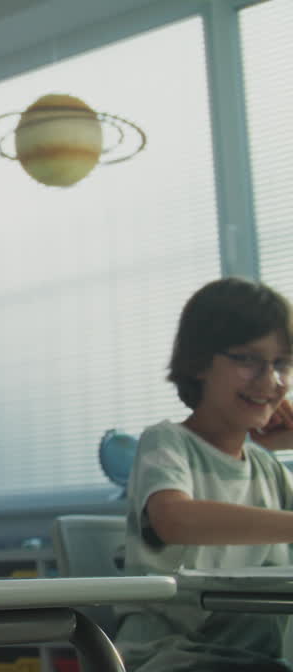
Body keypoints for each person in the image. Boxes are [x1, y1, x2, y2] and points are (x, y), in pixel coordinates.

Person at [117, 277, 293, 672]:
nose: (270, 381)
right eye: (247, 359)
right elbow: (175, 519)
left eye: (281, 363)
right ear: (198, 363)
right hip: (168, 657)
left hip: (258, 661)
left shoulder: (268, 469)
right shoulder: (166, 442)